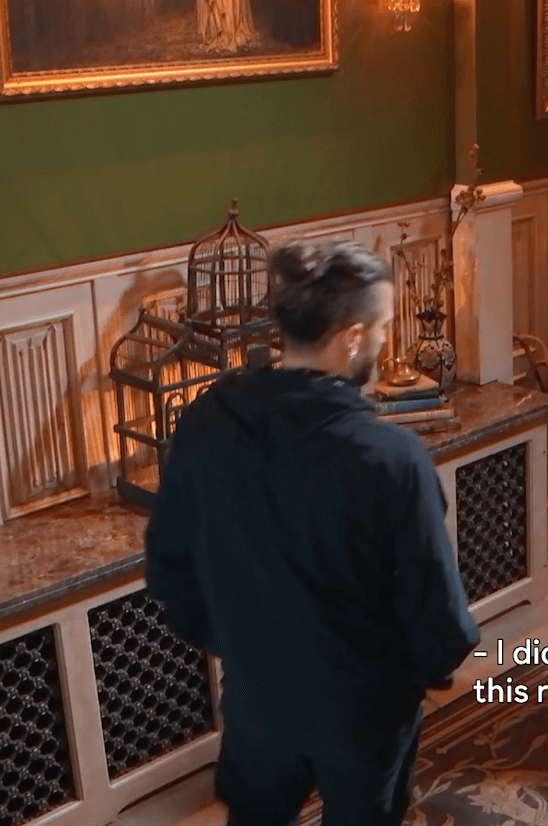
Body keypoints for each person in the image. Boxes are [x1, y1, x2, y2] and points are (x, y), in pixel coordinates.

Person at [145, 241, 479, 825]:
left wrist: (239, 644)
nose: (384, 340)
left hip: (257, 694)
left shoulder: (205, 424)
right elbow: (436, 610)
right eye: (382, 327)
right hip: (365, 710)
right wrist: (429, 672)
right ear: (352, 337)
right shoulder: (390, 457)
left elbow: (169, 562)